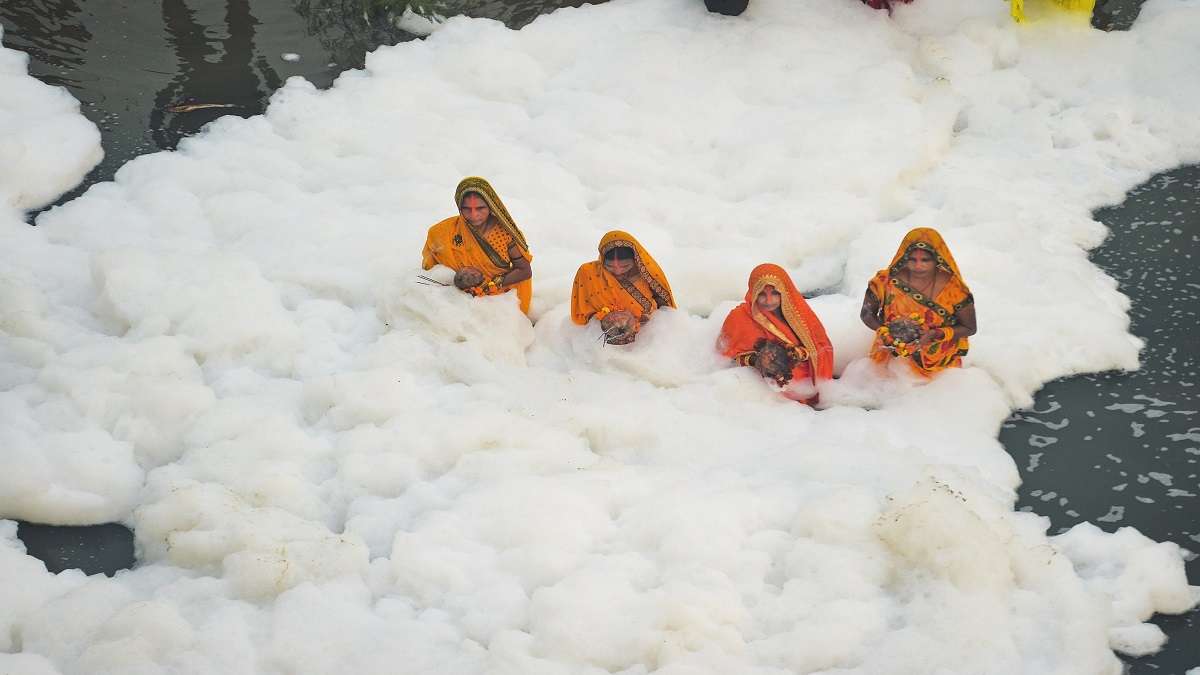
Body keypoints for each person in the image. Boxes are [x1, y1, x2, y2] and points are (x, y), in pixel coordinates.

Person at [859, 227, 976, 377]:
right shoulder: (885, 281)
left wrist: (935, 334)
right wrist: (883, 331)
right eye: (912, 259)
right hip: (889, 358)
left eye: (925, 260)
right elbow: (866, 313)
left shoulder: (954, 290)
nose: (918, 265)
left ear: (937, 260)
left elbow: (969, 327)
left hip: (938, 368)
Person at [717, 264, 834, 403]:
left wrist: (797, 353)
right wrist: (757, 361)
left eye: (775, 293)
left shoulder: (799, 314)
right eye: (761, 294)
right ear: (753, 293)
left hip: (808, 390)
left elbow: (821, 347)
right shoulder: (738, 319)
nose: (769, 300)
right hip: (765, 396)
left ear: (785, 291)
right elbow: (724, 360)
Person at [421, 176, 534, 314]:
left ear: (491, 206)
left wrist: (488, 286)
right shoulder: (442, 232)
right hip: (459, 294)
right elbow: (431, 268)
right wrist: (458, 283)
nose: (474, 215)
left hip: (502, 297)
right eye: (467, 209)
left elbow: (525, 270)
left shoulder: (505, 234)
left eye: (480, 208)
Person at [571, 231, 675, 345]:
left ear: (636, 259)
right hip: (599, 343)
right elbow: (581, 314)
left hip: (648, 340)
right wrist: (605, 319)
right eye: (609, 266)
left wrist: (641, 319)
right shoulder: (588, 273)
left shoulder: (647, 275)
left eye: (625, 266)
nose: (617, 271)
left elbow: (666, 310)